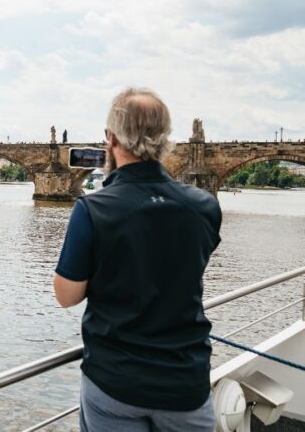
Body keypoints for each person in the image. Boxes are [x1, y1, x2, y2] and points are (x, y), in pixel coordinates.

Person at [53, 88, 221, 431]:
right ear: (165, 141)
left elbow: (66, 296)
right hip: (185, 380)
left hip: (116, 381)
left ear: (111, 139)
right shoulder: (204, 207)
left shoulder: (93, 209)